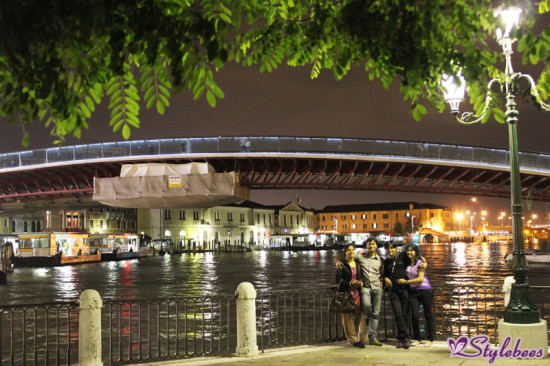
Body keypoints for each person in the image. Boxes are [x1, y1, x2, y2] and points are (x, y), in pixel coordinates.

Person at [397, 244, 435, 347]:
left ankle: (430, 339)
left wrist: (406, 282)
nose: (409, 252)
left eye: (412, 251)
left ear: (416, 252)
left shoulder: (420, 262)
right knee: (414, 315)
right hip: (413, 291)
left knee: (428, 315)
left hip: (425, 289)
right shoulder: (408, 263)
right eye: (408, 250)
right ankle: (417, 338)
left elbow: (420, 279)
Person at [335, 244, 367, 348]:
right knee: (348, 317)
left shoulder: (357, 264)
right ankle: (353, 339)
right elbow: (338, 280)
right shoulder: (342, 265)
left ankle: (357, 337)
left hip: (357, 292)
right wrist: (350, 283)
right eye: (349, 250)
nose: (351, 252)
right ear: (345, 252)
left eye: (353, 250)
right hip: (346, 293)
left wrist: (361, 283)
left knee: (357, 314)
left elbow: (361, 277)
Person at [355, 238, 384, 346]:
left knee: (376, 312)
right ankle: (367, 316)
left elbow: (382, 272)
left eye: (373, 244)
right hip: (366, 287)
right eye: (369, 244)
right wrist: (339, 263)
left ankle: (373, 337)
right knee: (366, 305)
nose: (371, 246)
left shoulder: (380, 259)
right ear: (366, 246)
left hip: (377, 287)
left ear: (376, 246)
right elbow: (349, 259)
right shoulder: (360, 256)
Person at [383, 243, 412, 349]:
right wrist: (385, 278)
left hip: (404, 289)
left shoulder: (403, 256)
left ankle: (400, 338)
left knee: (404, 314)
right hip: (393, 290)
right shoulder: (386, 262)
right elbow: (383, 274)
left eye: (392, 248)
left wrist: (424, 263)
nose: (390, 250)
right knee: (398, 314)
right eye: (387, 248)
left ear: (396, 248)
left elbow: (415, 258)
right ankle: (405, 338)